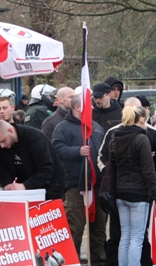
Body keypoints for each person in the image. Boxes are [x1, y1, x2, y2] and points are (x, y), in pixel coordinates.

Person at [97, 97, 156, 266]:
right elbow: (148, 170)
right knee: (137, 237)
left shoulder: (115, 136)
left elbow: (109, 165)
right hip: (139, 194)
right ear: (142, 117)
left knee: (125, 236)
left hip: (120, 193)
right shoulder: (142, 138)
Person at [52, 95, 106, 265]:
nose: (91, 108)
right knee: (75, 226)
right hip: (76, 184)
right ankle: (71, 261)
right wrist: (77, 151)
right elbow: (56, 149)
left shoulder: (96, 127)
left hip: (97, 184)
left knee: (98, 228)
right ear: (77, 107)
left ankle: (98, 262)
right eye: (88, 105)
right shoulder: (62, 127)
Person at [0, 120, 64, 199]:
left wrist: (25, 185)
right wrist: (8, 183)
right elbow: (2, 166)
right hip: (26, 190)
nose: (2, 146)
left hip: (50, 189)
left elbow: (46, 169)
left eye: (3, 141)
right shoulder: (3, 144)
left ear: (10, 131)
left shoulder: (35, 139)